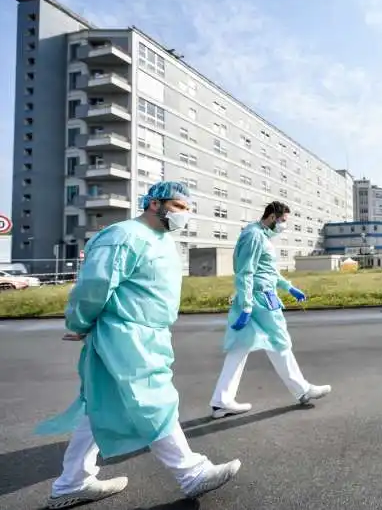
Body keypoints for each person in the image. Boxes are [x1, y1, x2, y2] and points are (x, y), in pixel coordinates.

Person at [36, 182, 241, 509]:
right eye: (178, 206)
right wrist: (79, 322)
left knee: (102, 405)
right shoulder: (124, 236)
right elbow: (94, 287)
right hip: (125, 334)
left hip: (149, 334)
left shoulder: (161, 241)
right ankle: (191, 472)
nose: (184, 214)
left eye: (188, 209)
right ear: (154, 204)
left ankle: (72, 482)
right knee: (152, 399)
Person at [209, 200, 331, 419]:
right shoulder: (255, 236)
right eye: (283, 221)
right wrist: (246, 305)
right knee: (279, 342)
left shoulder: (259, 235)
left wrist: (289, 287)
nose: (284, 225)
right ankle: (302, 390)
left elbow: (269, 271)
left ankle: (222, 401)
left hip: (256, 297)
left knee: (240, 347)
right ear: (273, 217)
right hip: (260, 299)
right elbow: (245, 272)